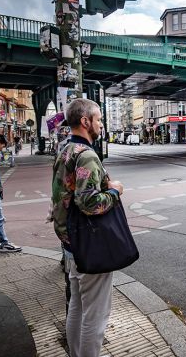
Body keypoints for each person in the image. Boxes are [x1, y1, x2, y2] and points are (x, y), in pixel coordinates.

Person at [49, 99, 124, 357]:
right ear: (85, 121)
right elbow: (90, 203)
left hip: (70, 241)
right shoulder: (87, 155)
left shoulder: (65, 149)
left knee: (77, 308)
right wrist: (114, 191)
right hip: (89, 245)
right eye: (99, 119)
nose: (101, 125)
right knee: (96, 316)